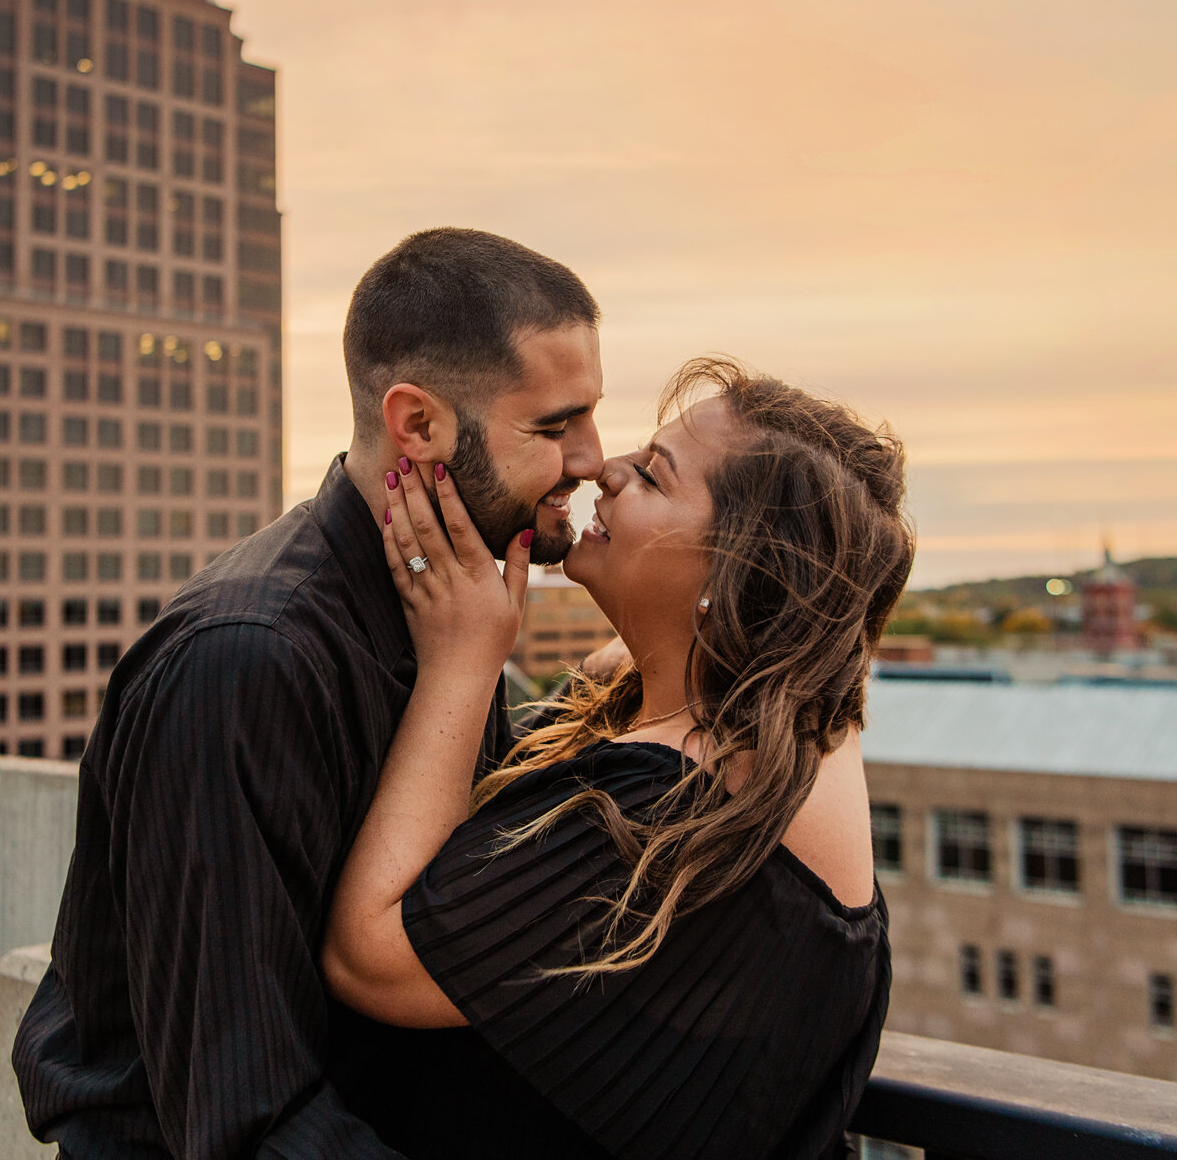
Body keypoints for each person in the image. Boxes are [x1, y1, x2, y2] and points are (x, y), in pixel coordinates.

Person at [13, 227, 605, 1157]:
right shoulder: (247, 661)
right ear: (417, 424)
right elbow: (247, 1117)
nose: (594, 459)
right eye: (554, 426)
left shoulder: (454, 614)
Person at [322, 357, 914, 1160]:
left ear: (733, 568)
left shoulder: (676, 805)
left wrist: (462, 661)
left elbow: (369, 960)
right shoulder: (787, 725)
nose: (606, 468)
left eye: (656, 477)